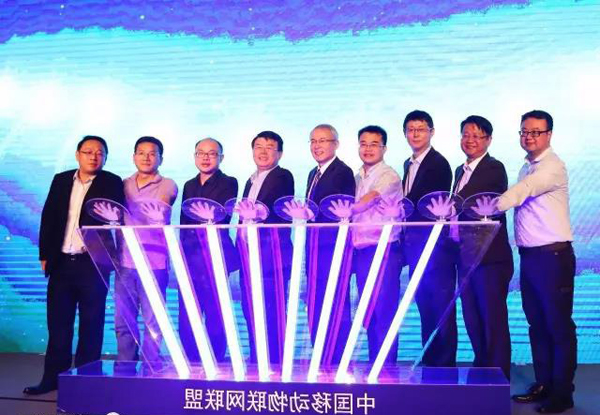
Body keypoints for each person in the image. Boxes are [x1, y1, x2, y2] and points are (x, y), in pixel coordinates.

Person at [24, 136, 124, 395]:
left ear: (105, 157)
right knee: (58, 325)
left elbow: (118, 219)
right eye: (88, 151)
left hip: (93, 264)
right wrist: (45, 254)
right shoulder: (61, 180)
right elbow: (48, 217)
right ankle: (52, 379)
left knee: (91, 326)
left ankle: (85, 381)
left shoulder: (112, 182)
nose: (94, 156)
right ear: (78, 155)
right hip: (61, 263)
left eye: (99, 152)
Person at [498, 110, 576, 413]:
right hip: (530, 257)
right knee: (537, 325)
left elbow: (523, 191)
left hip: (553, 257)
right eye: (524, 132)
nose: (529, 137)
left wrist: (492, 204)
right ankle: (544, 383)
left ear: (549, 135)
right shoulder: (526, 167)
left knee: (558, 326)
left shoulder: (552, 167)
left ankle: (562, 393)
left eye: (535, 132)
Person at [452, 116, 513, 379]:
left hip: (489, 258)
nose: (470, 140)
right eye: (466, 135)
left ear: (488, 140)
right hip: (465, 257)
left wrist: (446, 205)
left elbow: (465, 201)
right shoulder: (459, 170)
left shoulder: (494, 168)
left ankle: (498, 378)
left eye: (477, 136)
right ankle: (481, 371)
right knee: (472, 317)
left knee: (492, 320)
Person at [401, 110, 457, 367]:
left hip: (436, 249)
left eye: (421, 129)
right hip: (415, 248)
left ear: (431, 132)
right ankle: (431, 366)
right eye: (411, 130)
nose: (415, 134)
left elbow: (424, 204)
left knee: (441, 309)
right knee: (425, 307)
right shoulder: (408, 164)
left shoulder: (438, 163)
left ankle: (444, 370)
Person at [115, 136, 178, 365]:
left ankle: (151, 367)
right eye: (141, 153)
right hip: (125, 262)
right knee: (123, 321)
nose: (146, 157)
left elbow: (160, 206)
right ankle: (125, 366)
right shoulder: (123, 184)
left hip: (154, 263)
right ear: (134, 157)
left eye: (152, 153)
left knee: (153, 322)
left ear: (160, 158)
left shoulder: (167, 184)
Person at [179, 137, 238, 362]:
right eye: (201, 153)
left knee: (216, 313)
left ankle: (216, 361)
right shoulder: (188, 185)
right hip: (190, 258)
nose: (205, 157)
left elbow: (220, 214)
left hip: (215, 256)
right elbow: (185, 222)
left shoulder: (229, 182)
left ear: (221, 157)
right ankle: (191, 361)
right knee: (188, 313)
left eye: (212, 153)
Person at [241, 130, 294, 364]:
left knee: (272, 311)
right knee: (250, 309)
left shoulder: (283, 176)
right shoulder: (250, 180)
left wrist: (258, 213)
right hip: (248, 255)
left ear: (279, 153)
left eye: (269, 147)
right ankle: (256, 359)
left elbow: (274, 208)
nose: (263, 152)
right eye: (258, 147)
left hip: (272, 257)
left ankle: (276, 362)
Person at [351, 125, 403, 363]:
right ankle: (375, 366)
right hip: (362, 251)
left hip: (383, 250)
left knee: (384, 311)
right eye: (364, 144)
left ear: (384, 148)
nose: (368, 149)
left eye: (374, 144)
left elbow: (371, 198)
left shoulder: (388, 175)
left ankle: (387, 369)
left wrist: (347, 210)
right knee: (369, 312)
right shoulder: (357, 176)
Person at [305, 124, 355, 364]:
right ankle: (320, 356)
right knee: (316, 303)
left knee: (335, 304)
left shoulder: (342, 172)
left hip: (333, 249)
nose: (317, 146)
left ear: (336, 144)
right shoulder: (313, 173)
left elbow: (339, 210)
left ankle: (336, 360)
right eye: (313, 141)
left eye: (323, 141)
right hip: (314, 249)